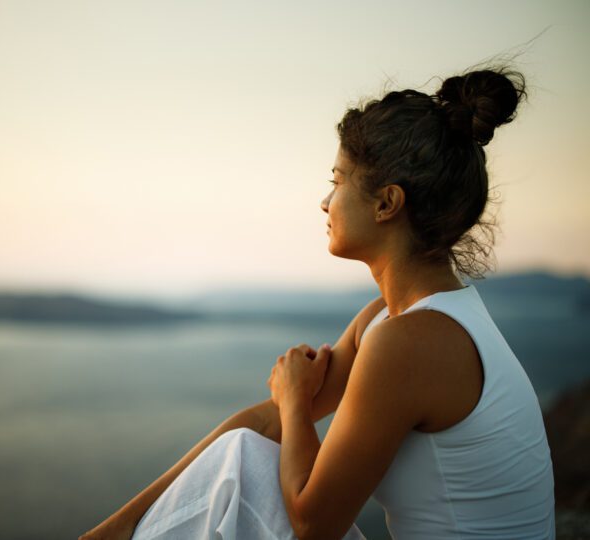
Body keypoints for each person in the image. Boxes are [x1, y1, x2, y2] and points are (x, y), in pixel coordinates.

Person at [80, 66, 556, 540]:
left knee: (243, 465)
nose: (325, 202)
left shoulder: (410, 341)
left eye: (338, 180)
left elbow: (312, 525)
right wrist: (116, 528)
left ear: (386, 203)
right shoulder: (392, 321)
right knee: (241, 453)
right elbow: (263, 423)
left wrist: (293, 400)